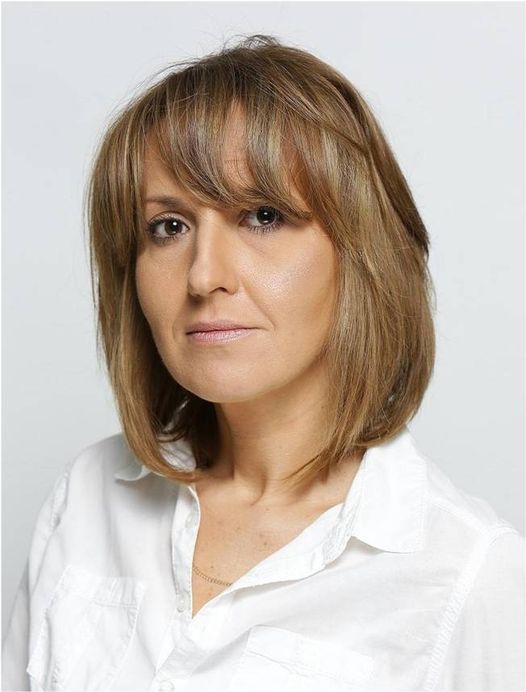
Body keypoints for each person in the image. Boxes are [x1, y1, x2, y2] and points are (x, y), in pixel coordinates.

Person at [2, 34, 524, 692]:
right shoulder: (89, 496)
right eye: (168, 227)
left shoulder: (466, 575)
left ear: (362, 254)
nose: (204, 276)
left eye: (262, 216)